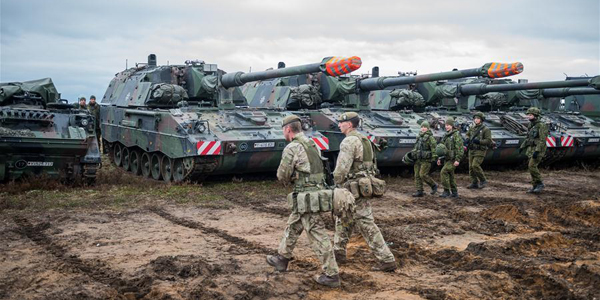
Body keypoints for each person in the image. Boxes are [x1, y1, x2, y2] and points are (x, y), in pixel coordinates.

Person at [266, 115, 341, 287]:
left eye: (283, 130)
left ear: (287, 130)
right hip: (314, 193)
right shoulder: (312, 144)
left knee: (317, 234)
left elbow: (281, 175)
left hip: (307, 197)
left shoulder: (292, 147)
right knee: (294, 225)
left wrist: (290, 177)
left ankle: (331, 274)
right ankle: (282, 258)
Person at [332, 112, 397, 272]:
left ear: (349, 124)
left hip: (352, 187)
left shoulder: (349, 141)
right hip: (363, 186)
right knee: (344, 218)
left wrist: (336, 185)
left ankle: (386, 259)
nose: (339, 125)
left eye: (341, 122)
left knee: (366, 223)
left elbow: (341, 170)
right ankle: (338, 252)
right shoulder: (365, 139)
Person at [520, 107, 548, 193]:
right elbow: (528, 138)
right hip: (531, 148)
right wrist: (522, 146)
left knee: (532, 166)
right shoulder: (531, 125)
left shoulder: (541, 125)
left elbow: (543, 140)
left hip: (538, 149)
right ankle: (535, 186)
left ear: (536, 116)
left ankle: (540, 183)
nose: (528, 116)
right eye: (528, 115)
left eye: (530, 115)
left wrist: (537, 151)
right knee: (531, 167)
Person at [437, 117, 464, 198]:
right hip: (447, 159)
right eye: (446, 125)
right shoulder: (446, 135)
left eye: (448, 125)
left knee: (443, 172)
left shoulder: (456, 135)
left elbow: (460, 148)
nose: (447, 126)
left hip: (453, 159)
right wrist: (439, 158)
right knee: (450, 175)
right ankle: (454, 192)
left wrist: (457, 159)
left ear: (452, 126)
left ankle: (446, 191)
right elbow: (441, 148)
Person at [466, 112, 492, 189]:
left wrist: (479, 142)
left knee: (475, 165)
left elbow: (488, 140)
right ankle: (474, 183)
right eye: (475, 118)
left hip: (480, 150)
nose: (476, 120)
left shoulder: (485, 129)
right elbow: (468, 134)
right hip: (472, 150)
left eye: (478, 119)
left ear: (481, 120)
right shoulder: (472, 127)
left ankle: (483, 180)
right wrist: (467, 138)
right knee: (471, 167)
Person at [411, 121, 438, 197]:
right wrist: (413, 154)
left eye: (425, 127)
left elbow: (434, 148)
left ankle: (433, 185)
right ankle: (419, 191)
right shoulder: (419, 136)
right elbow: (416, 147)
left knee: (423, 174)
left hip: (426, 160)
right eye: (422, 127)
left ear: (428, 128)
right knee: (417, 175)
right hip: (418, 159)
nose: (423, 128)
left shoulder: (430, 138)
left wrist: (434, 158)